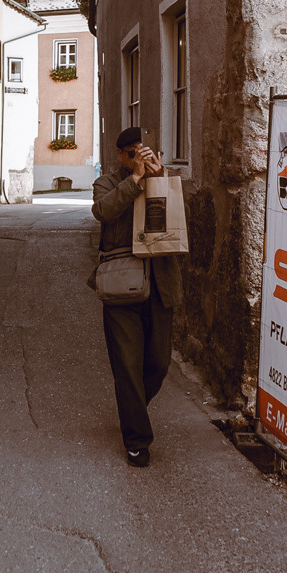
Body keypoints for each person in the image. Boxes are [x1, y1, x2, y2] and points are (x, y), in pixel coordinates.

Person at [92, 126, 183, 467]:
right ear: (120, 155)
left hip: (159, 284)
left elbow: (179, 221)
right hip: (122, 287)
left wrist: (158, 180)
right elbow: (103, 211)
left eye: (142, 152)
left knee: (158, 363)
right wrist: (135, 180)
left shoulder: (162, 179)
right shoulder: (106, 183)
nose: (138, 158)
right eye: (131, 153)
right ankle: (137, 439)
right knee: (127, 366)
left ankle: (132, 409)